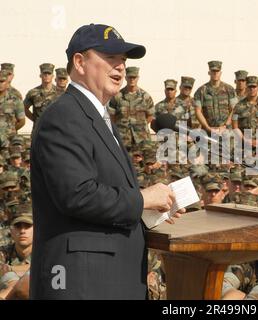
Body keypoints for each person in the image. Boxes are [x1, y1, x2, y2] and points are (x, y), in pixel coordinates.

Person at [29, 23, 184, 300]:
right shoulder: (64, 115)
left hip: (109, 279)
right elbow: (76, 194)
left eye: (123, 60)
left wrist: (152, 211)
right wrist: (142, 199)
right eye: (110, 58)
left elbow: (103, 195)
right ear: (79, 62)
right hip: (81, 282)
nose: (121, 67)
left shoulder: (98, 117)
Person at [108, 66, 155, 150]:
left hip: (142, 139)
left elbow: (150, 116)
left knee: (144, 162)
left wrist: (139, 125)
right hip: (123, 139)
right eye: (130, 77)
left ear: (138, 78)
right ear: (126, 78)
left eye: (134, 77)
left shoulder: (145, 96)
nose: (132, 80)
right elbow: (112, 117)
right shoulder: (117, 96)